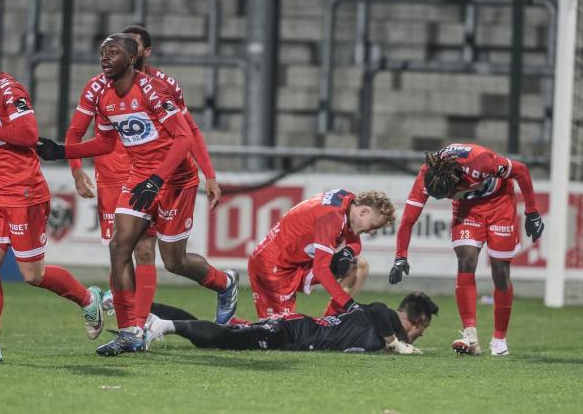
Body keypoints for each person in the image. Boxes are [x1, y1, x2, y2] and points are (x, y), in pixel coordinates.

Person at [35, 33, 237, 356]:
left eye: (112, 53)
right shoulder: (103, 95)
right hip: (140, 175)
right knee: (120, 245)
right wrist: (63, 151)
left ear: (131, 58)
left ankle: (225, 282)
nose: (104, 58)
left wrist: (161, 179)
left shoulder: (153, 90)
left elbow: (184, 137)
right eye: (102, 52)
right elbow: (105, 143)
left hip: (175, 179)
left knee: (173, 260)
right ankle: (131, 331)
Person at [0, 33, 104, 363]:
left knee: (33, 275)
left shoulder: (9, 90)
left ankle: (87, 299)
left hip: (24, 193)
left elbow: (29, 135)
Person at [389, 143, 544, 356]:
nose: (447, 198)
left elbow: (521, 171)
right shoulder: (429, 174)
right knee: (466, 260)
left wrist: (532, 212)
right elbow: (407, 220)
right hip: (468, 211)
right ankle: (470, 337)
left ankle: (499, 340)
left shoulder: (482, 161)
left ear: (456, 181)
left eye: (449, 194)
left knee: (500, 272)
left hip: (500, 206)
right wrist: (400, 257)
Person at [248, 188, 395, 320]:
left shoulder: (348, 202)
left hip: (297, 264)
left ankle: (331, 321)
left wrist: (348, 252)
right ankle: (233, 326)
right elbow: (321, 270)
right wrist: (349, 304)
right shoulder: (332, 217)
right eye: (373, 226)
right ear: (363, 212)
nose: (371, 232)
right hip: (272, 267)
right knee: (280, 333)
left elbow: (355, 243)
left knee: (359, 266)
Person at [146, 291, 438, 354]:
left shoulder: (377, 324)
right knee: (227, 339)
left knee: (220, 334)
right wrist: (394, 343)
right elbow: (376, 306)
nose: (421, 335)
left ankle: (147, 309)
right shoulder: (384, 315)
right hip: (295, 332)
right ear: (417, 320)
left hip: (296, 328)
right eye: (422, 328)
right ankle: (162, 326)